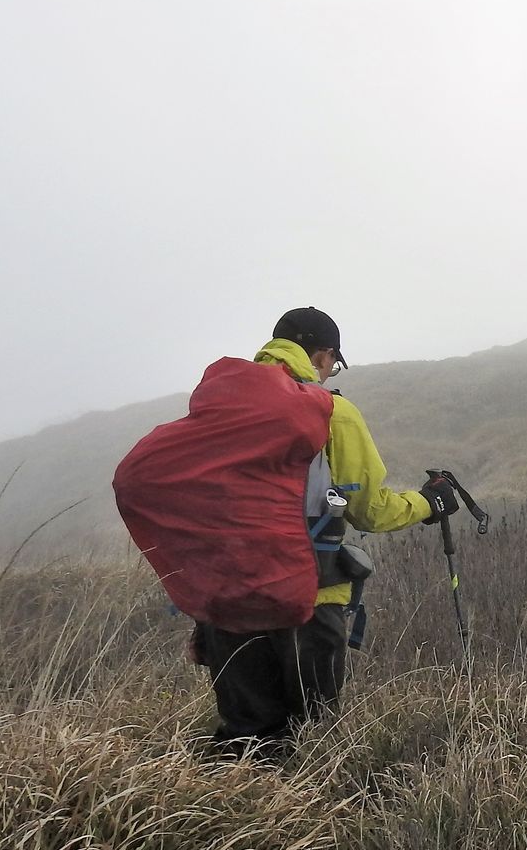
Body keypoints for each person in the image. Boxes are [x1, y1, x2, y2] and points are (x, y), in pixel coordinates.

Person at [189, 306, 461, 757]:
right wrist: (428, 503)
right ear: (322, 355)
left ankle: (228, 822)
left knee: (245, 736)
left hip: (226, 603)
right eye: (333, 363)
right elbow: (371, 511)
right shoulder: (330, 411)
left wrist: (202, 617)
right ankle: (302, 825)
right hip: (305, 599)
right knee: (313, 741)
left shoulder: (220, 409)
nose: (331, 371)